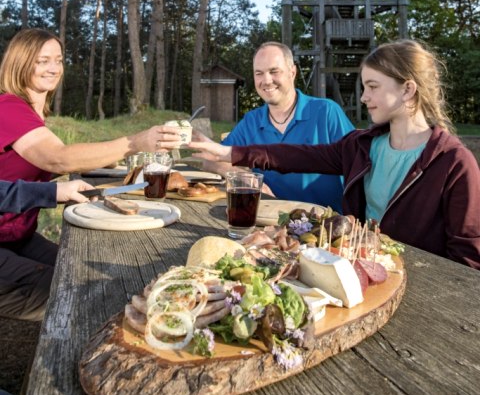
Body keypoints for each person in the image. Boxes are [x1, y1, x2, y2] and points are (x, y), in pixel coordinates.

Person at [189, 40, 480, 269]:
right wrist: (226, 151)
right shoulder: (361, 146)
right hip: (356, 269)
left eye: (372, 87)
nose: (364, 97)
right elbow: (293, 156)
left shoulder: (455, 164)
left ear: (407, 90)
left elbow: (467, 260)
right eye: (364, 87)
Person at [0, 28, 181, 320]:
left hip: (18, 237)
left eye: (58, 60)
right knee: (77, 293)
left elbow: (47, 161)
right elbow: (58, 158)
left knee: (82, 268)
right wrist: (134, 143)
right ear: (20, 63)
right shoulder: (8, 107)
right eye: (42, 60)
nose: (54, 68)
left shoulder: (32, 114)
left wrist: (100, 161)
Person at [198, 41, 354, 211]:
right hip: (269, 221)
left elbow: (359, 163)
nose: (266, 80)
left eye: (274, 71)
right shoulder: (252, 120)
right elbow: (210, 160)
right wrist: (246, 178)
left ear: (292, 72)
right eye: (259, 73)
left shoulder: (326, 112)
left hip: (325, 225)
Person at [0, 179, 94, 321]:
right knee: (78, 294)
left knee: (83, 271)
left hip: (15, 235)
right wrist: (50, 191)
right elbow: (49, 160)